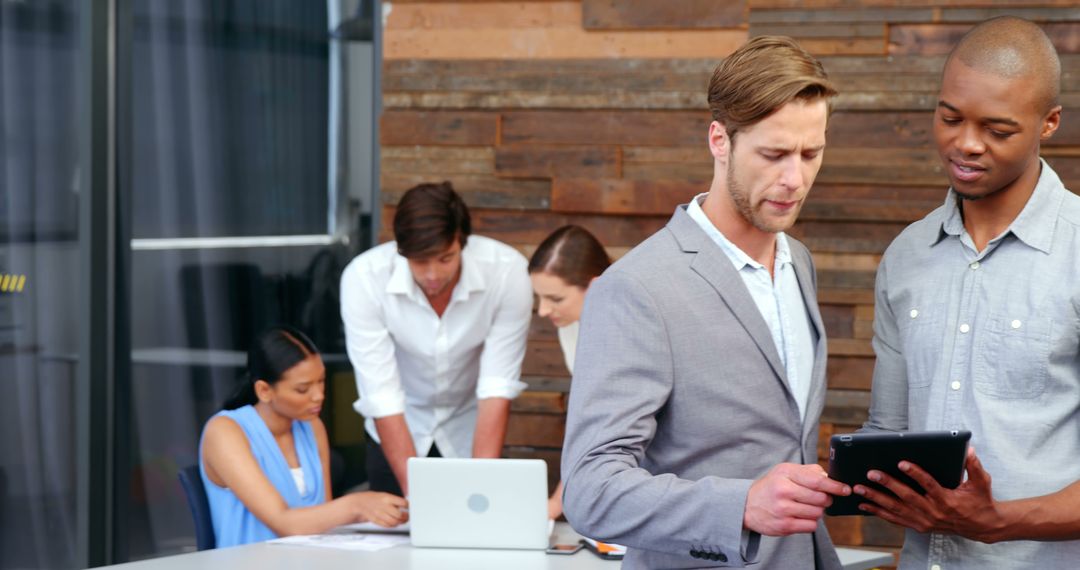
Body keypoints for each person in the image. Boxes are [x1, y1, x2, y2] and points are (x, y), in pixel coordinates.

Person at [560, 36, 851, 569]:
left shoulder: (798, 262)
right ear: (719, 140)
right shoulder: (638, 286)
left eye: (812, 154)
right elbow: (590, 489)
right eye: (774, 154)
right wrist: (740, 505)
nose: (796, 179)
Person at [856, 16, 1080, 568]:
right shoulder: (906, 256)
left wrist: (999, 523)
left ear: (1049, 122)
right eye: (949, 118)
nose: (966, 145)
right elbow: (888, 432)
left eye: (998, 131)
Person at [340, 182, 533, 497]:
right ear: (401, 251)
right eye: (419, 262)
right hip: (398, 431)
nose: (432, 275)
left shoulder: (507, 272)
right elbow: (382, 397)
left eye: (445, 258)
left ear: (462, 242)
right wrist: (418, 500)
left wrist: (482, 491)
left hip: (472, 430)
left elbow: (497, 386)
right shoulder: (363, 279)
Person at [200, 326, 408, 547]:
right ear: (264, 391)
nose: (319, 396)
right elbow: (284, 523)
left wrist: (370, 511)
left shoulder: (312, 427)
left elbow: (324, 522)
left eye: (321, 381)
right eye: (303, 389)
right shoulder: (225, 432)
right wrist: (356, 506)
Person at [528, 224, 611, 519]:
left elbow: (603, 424)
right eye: (539, 297)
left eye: (555, 299)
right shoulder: (571, 324)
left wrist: (556, 503)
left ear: (596, 284)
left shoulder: (626, 331)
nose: (543, 311)